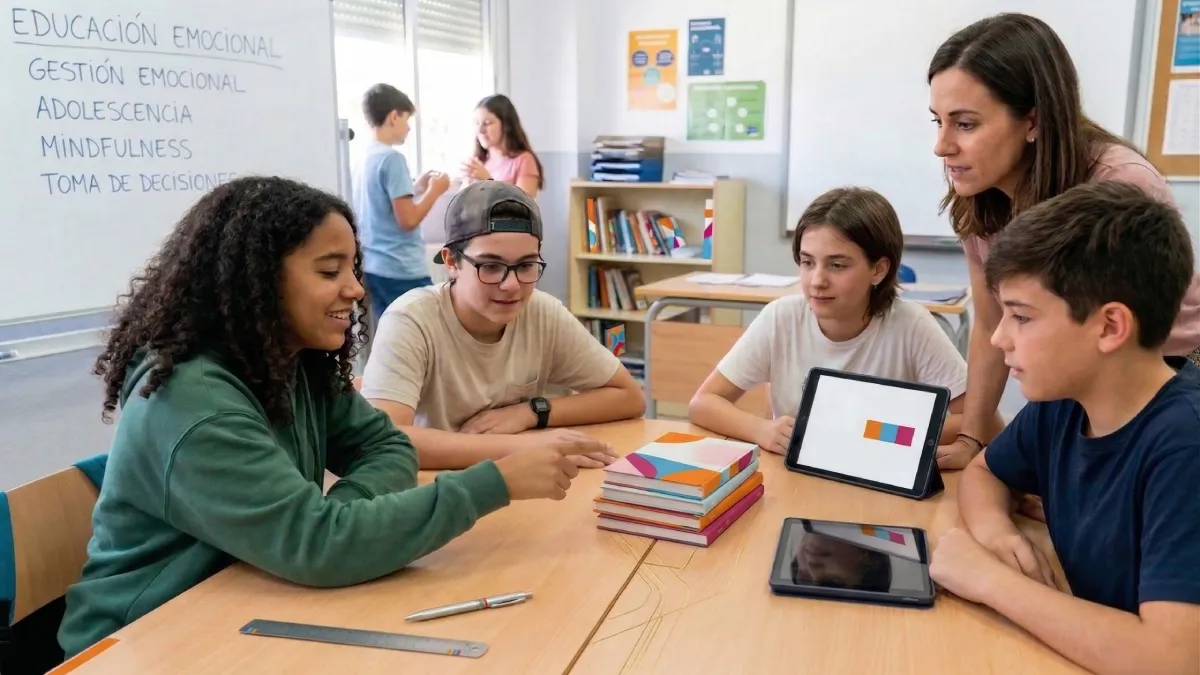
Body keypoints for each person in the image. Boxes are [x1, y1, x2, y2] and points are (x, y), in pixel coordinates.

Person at [57, 177, 584, 658]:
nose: (355, 289)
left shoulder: (290, 360)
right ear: (258, 282)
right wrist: (488, 485)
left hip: (254, 598)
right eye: (330, 271)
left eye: (352, 269)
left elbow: (388, 447)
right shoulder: (191, 398)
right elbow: (320, 547)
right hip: (142, 639)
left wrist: (337, 515)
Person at [930, 181, 1200, 675]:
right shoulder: (1067, 401)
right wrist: (996, 534)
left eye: (1021, 317)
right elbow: (986, 472)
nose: (998, 337)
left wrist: (990, 580)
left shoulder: (1185, 444)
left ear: (1110, 327)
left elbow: (1171, 659)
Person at [927, 12, 1200, 470]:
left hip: (1167, 371)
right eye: (937, 121)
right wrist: (973, 438)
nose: (942, 146)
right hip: (1087, 378)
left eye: (966, 124)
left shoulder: (1118, 183)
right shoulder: (977, 199)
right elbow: (988, 321)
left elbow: (1107, 345)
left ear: (1032, 121)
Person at [361, 180, 645, 470]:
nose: (511, 286)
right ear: (452, 262)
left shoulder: (542, 312)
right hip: (440, 489)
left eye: (525, 266)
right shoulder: (411, 319)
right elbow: (384, 442)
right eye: (491, 266)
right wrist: (523, 447)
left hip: (522, 483)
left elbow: (629, 397)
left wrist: (532, 412)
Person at [688, 187, 987, 455]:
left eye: (837, 265)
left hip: (878, 477)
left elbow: (979, 422)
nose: (817, 281)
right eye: (807, 263)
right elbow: (703, 403)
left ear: (878, 270)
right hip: (800, 477)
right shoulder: (781, 317)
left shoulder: (912, 326)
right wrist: (761, 429)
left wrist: (879, 433)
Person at [352, 83, 451, 324]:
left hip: (374, 266)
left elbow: (382, 203)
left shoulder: (365, 157)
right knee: (427, 332)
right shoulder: (392, 158)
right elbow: (408, 220)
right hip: (401, 269)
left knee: (391, 335)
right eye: (406, 119)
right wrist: (435, 191)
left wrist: (417, 190)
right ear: (394, 116)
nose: (408, 127)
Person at [461, 94, 544, 198]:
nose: (480, 130)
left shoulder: (524, 160)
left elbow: (523, 208)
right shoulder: (480, 161)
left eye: (487, 123)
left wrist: (489, 182)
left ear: (506, 125)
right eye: (477, 123)